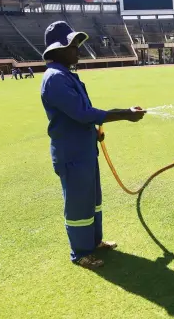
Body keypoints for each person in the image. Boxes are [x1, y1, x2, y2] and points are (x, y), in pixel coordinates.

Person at [40, 21, 147, 269]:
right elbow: (83, 114)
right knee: (78, 204)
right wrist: (124, 114)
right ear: (57, 50)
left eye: (78, 44)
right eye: (72, 45)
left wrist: (93, 135)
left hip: (85, 150)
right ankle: (80, 253)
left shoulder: (66, 75)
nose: (77, 50)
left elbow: (80, 116)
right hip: (72, 154)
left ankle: (94, 242)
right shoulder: (55, 78)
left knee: (92, 201)